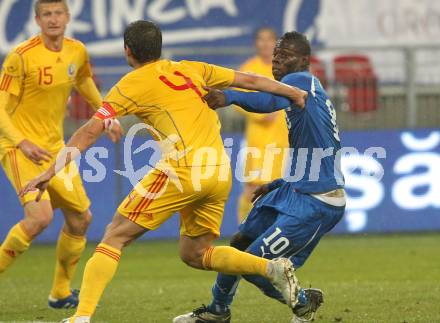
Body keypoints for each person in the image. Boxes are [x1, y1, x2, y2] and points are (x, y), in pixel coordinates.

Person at [20, 21, 309, 323]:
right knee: (195, 253)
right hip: (219, 171)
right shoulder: (191, 68)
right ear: (159, 47)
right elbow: (248, 80)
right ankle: (270, 268)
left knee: (115, 235)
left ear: (127, 51)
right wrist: (293, 92)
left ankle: (81, 317)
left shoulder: (130, 84)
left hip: (183, 169)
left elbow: (91, 130)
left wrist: (50, 171)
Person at [173, 31, 346, 323]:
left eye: (285, 56)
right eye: (276, 56)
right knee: (239, 244)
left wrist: (228, 95)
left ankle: (304, 304)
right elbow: (319, 151)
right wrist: (279, 182)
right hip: (294, 189)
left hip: (317, 201)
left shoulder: (300, 81)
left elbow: (266, 102)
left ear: (304, 60)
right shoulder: (306, 91)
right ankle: (218, 310)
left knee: (254, 263)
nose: (277, 61)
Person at [0, 0, 107, 309]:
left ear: (67, 17)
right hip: (20, 149)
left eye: (58, 13)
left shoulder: (77, 51)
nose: (53, 19)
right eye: (46, 14)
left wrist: (105, 114)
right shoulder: (20, 57)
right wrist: (20, 142)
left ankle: (60, 292)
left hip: (56, 148)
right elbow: (2, 108)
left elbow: (83, 79)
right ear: (37, 19)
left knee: (80, 220)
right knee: (40, 217)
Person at [236, 27, 289, 223]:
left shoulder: (284, 69)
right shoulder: (248, 68)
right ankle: (243, 229)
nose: (265, 44)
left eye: (269, 39)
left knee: (275, 189)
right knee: (252, 187)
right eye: (261, 39)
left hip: (282, 139)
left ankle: (267, 231)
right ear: (256, 43)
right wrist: (258, 113)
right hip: (258, 139)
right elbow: (236, 99)